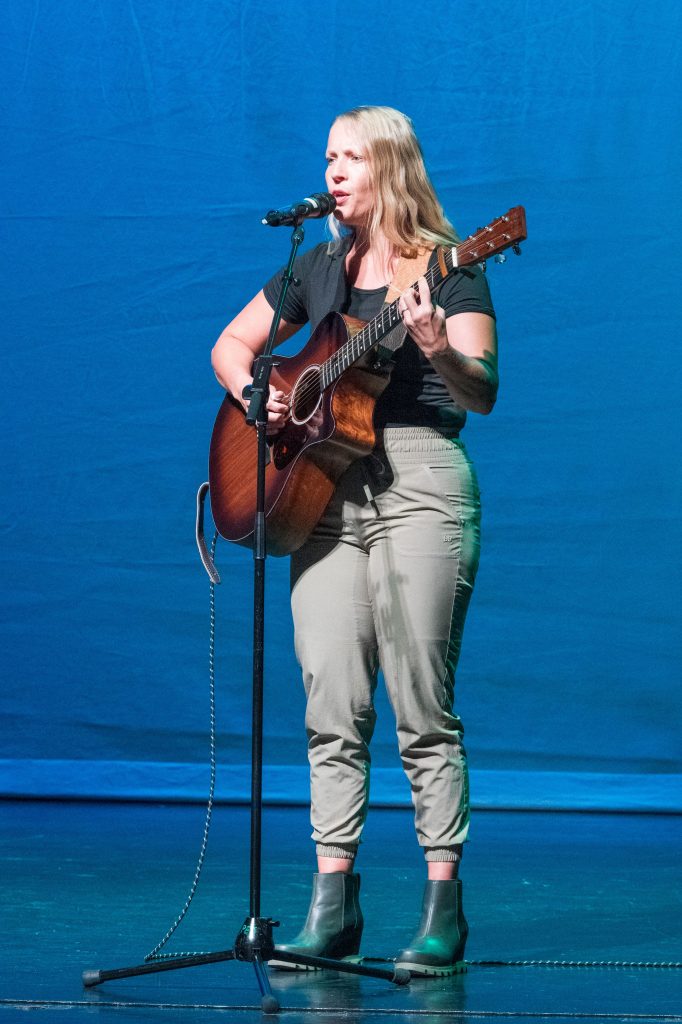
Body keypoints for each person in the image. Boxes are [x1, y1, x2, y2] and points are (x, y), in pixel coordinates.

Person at [211, 105, 497, 976]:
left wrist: (435, 344)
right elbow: (231, 346)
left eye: (349, 158)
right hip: (322, 493)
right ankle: (333, 903)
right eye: (327, 157)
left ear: (390, 167)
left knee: (420, 703)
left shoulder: (451, 267)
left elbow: (481, 390)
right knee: (330, 700)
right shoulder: (316, 267)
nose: (332, 171)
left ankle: (442, 909)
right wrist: (259, 397)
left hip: (417, 479)